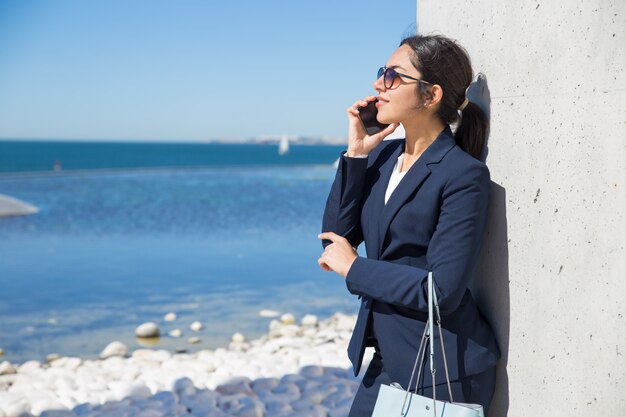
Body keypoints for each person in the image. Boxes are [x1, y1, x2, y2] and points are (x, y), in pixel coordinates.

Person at [318, 34, 500, 416]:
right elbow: (335, 239)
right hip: (388, 357)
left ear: (430, 96)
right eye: (381, 73)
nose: (377, 85)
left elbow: (442, 291)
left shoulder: (463, 176)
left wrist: (355, 267)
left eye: (392, 76)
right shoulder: (383, 158)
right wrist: (355, 155)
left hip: (443, 368)